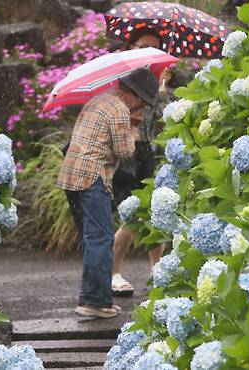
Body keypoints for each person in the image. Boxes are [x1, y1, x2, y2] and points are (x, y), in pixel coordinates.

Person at [58, 68, 159, 318]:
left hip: (71, 175)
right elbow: (124, 152)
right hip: (92, 177)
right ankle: (94, 302)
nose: (143, 108)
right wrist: (133, 133)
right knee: (102, 239)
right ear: (133, 95)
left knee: (93, 240)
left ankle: (95, 297)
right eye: (144, 102)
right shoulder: (119, 109)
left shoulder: (99, 100)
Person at [111, 28, 171, 297]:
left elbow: (161, 116)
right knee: (133, 214)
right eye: (143, 45)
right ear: (130, 45)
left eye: (154, 47)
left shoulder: (155, 78)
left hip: (149, 153)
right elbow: (127, 113)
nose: (148, 51)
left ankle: (158, 271)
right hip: (126, 152)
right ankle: (112, 273)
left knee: (152, 212)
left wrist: (162, 89)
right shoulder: (121, 76)